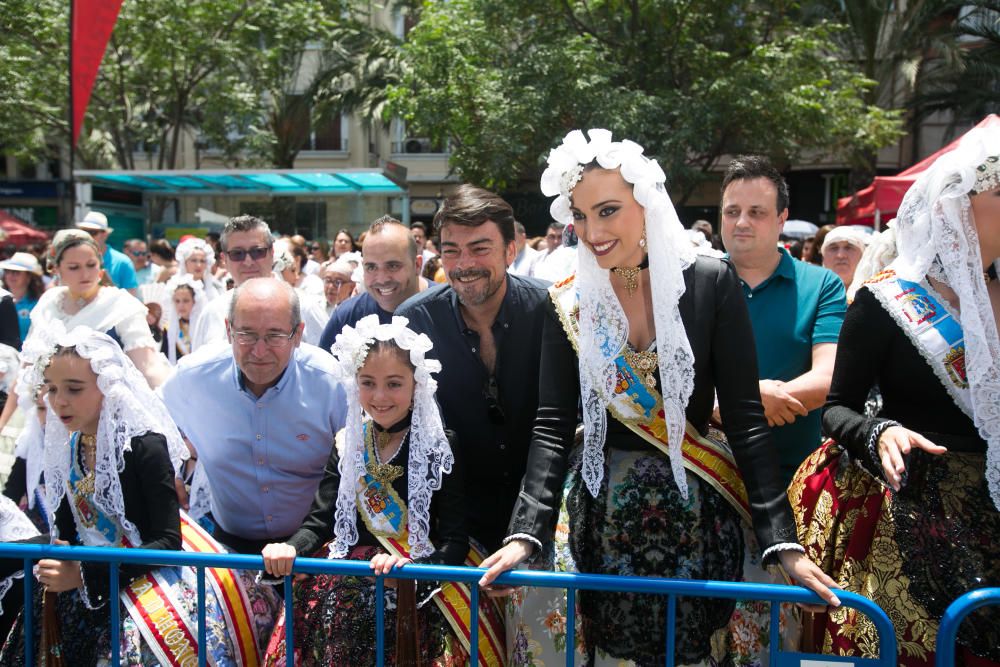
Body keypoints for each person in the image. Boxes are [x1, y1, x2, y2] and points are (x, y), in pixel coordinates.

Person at [478, 130, 839, 665]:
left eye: (607, 211)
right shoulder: (569, 300)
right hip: (596, 515)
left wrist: (781, 541)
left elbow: (743, 418)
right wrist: (525, 535)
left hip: (699, 507)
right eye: (579, 216)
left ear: (646, 205)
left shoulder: (712, 282)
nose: (592, 232)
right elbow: (552, 425)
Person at [791, 127, 1000, 665]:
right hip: (912, 511)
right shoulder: (887, 300)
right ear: (957, 208)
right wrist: (879, 431)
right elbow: (837, 407)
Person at [0, 326, 265, 666]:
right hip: (86, 581)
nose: (59, 401)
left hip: (148, 572)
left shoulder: (143, 446)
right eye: (51, 389)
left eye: (74, 389)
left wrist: (83, 573)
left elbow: (167, 542)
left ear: (107, 388)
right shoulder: (72, 445)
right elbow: (70, 532)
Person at [259, 315, 501, 665]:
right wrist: (288, 548)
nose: (380, 396)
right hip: (347, 583)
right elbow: (320, 521)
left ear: (417, 385)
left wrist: (414, 573)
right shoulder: (347, 442)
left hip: (416, 583)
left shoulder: (438, 445)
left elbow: (454, 539)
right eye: (367, 383)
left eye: (394, 383)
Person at [396, 185, 552, 552]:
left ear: (511, 250)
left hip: (545, 517)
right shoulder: (413, 321)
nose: (464, 264)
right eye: (451, 251)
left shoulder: (554, 310)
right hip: (451, 529)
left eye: (480, 248)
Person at [161, 277, 348, 555]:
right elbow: (148, 419)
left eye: (274, 336)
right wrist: (168, 468)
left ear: (298, 334)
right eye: (246, 334)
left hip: (315, 554)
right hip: (230, 549)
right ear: (228, 330)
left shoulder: (331, 383)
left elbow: (360, 457)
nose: (259, 352)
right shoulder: (193, 378)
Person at [720, 156, 846, 484]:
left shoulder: (822, 284)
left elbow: (827, 377)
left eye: (756, 212)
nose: (741, 222)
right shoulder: (690, 282)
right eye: (732, 211)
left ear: (781, 218)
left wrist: (737, 405)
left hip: (792, 477)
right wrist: (752, 399)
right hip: (707, 473)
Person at [28, 230, 168, 388]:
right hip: (48, 406)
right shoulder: (48, 302)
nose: (85, 274)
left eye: (91, 265)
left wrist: (170, 403)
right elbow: (26, 369)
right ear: (56, 269)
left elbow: (148, 366)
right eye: (74, 267)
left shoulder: (120, 304)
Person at [318, 216, 424, 349]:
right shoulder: (346, 318)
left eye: (393, 266)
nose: (382, 279)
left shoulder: (449, 311)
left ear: (417, 265)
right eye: (371, 267)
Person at [189, 215, 275, 351]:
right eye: (237, 254)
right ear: (224, 260)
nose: (248, 261)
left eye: (257, 252)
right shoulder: (212, 312)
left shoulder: (304, 307)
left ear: (272, 253)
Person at [75, 211, 139, 296]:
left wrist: (109, 285)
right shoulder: (73, 258)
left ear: (104, 234)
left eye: (92, 232)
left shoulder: (123, 262)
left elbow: (132, 301)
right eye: (83, 232)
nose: (86, 236)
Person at [0, 252, 44, 346]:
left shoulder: (39, 304)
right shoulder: (1, 300)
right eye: (8, 271)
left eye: (16, 272)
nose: (11, 275)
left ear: (29, 277)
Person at [160, 276, 203, 365]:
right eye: (177, 301)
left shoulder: (202, 325)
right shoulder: (169, 329)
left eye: (186, 301)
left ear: (194, 301)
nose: (181, 305)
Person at [174, 236, 224, 302]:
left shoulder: (216, 288)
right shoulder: (173, 287)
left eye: (202, 261)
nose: (198, 265)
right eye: (194, 260)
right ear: (184, 263)